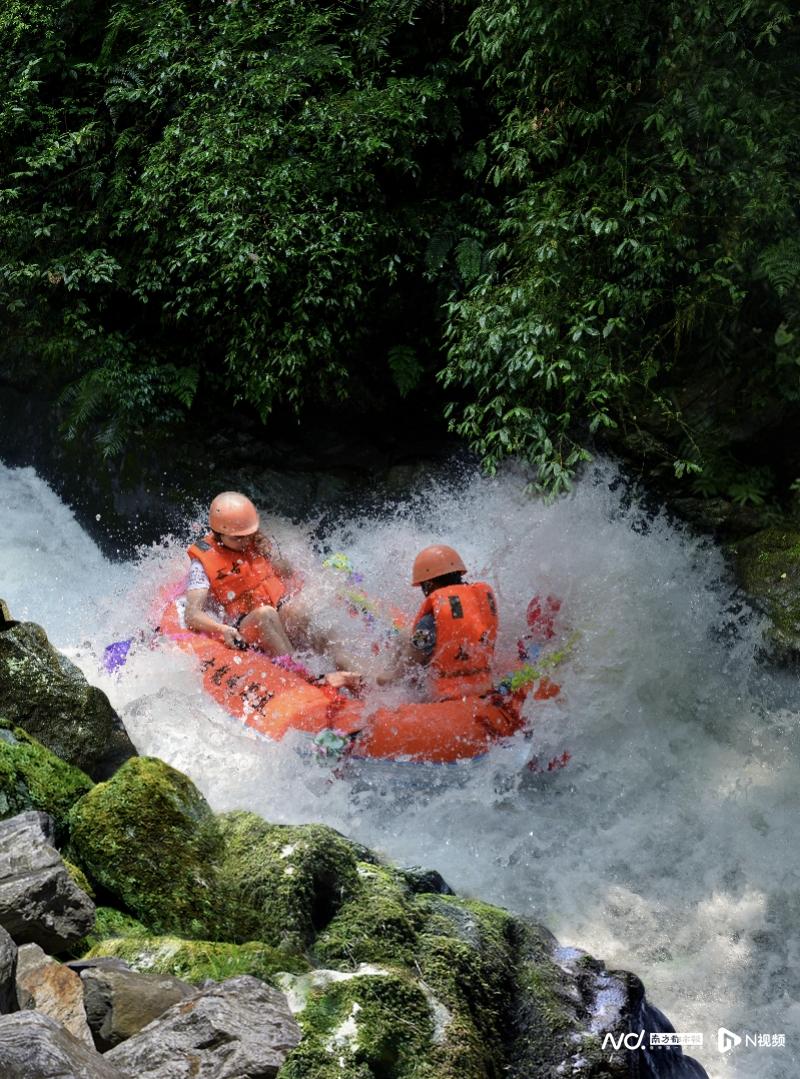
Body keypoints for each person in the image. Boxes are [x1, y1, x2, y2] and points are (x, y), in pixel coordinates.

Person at [184, 491, 360, 689]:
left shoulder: (256, 543)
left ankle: (355, 674)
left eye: (247, 536)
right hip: (246, 622)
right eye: (236, 538)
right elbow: (192, 615)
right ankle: (307, 679)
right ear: (218, 533)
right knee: (266, 614)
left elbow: (287, 573)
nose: (244, 542)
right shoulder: (202, 563)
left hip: (277, 609)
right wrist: (223, 629)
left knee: (297, 611)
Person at [378, 544, 499, 698]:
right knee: (406, 634)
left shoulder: (429, 621)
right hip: (483, 686)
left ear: (428, 585)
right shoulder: (482, 603)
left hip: (443, 695)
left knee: (402, 642)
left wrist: (383, 680)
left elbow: (409, 664)